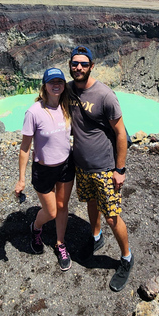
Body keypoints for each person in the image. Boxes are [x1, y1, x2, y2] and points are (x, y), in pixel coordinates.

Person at [67, 45, 133, 292]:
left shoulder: (105, 95)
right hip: (82, 167)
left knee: (112, 215)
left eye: (84, 64)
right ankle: (96, 237)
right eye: (75, 63)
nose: (79, 68)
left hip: (105, 168)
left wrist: (120, 170)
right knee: (91, 203)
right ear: (70, 65)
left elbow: (120, 134)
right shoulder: (69, 90)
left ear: (92, 66)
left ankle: (126, 257)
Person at [14, 67, 74, 271]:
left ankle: (60, 243)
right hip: (43, 169)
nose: (56, 85)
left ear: (64, 85)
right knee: (51, 211)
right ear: (44, 86)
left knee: (63, 207)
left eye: (59, 81)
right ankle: (36, 227)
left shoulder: (67, 106)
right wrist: (21, 179)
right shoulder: (34, 112)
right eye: (51, 82)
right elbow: (25, 148)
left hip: (66, 166)